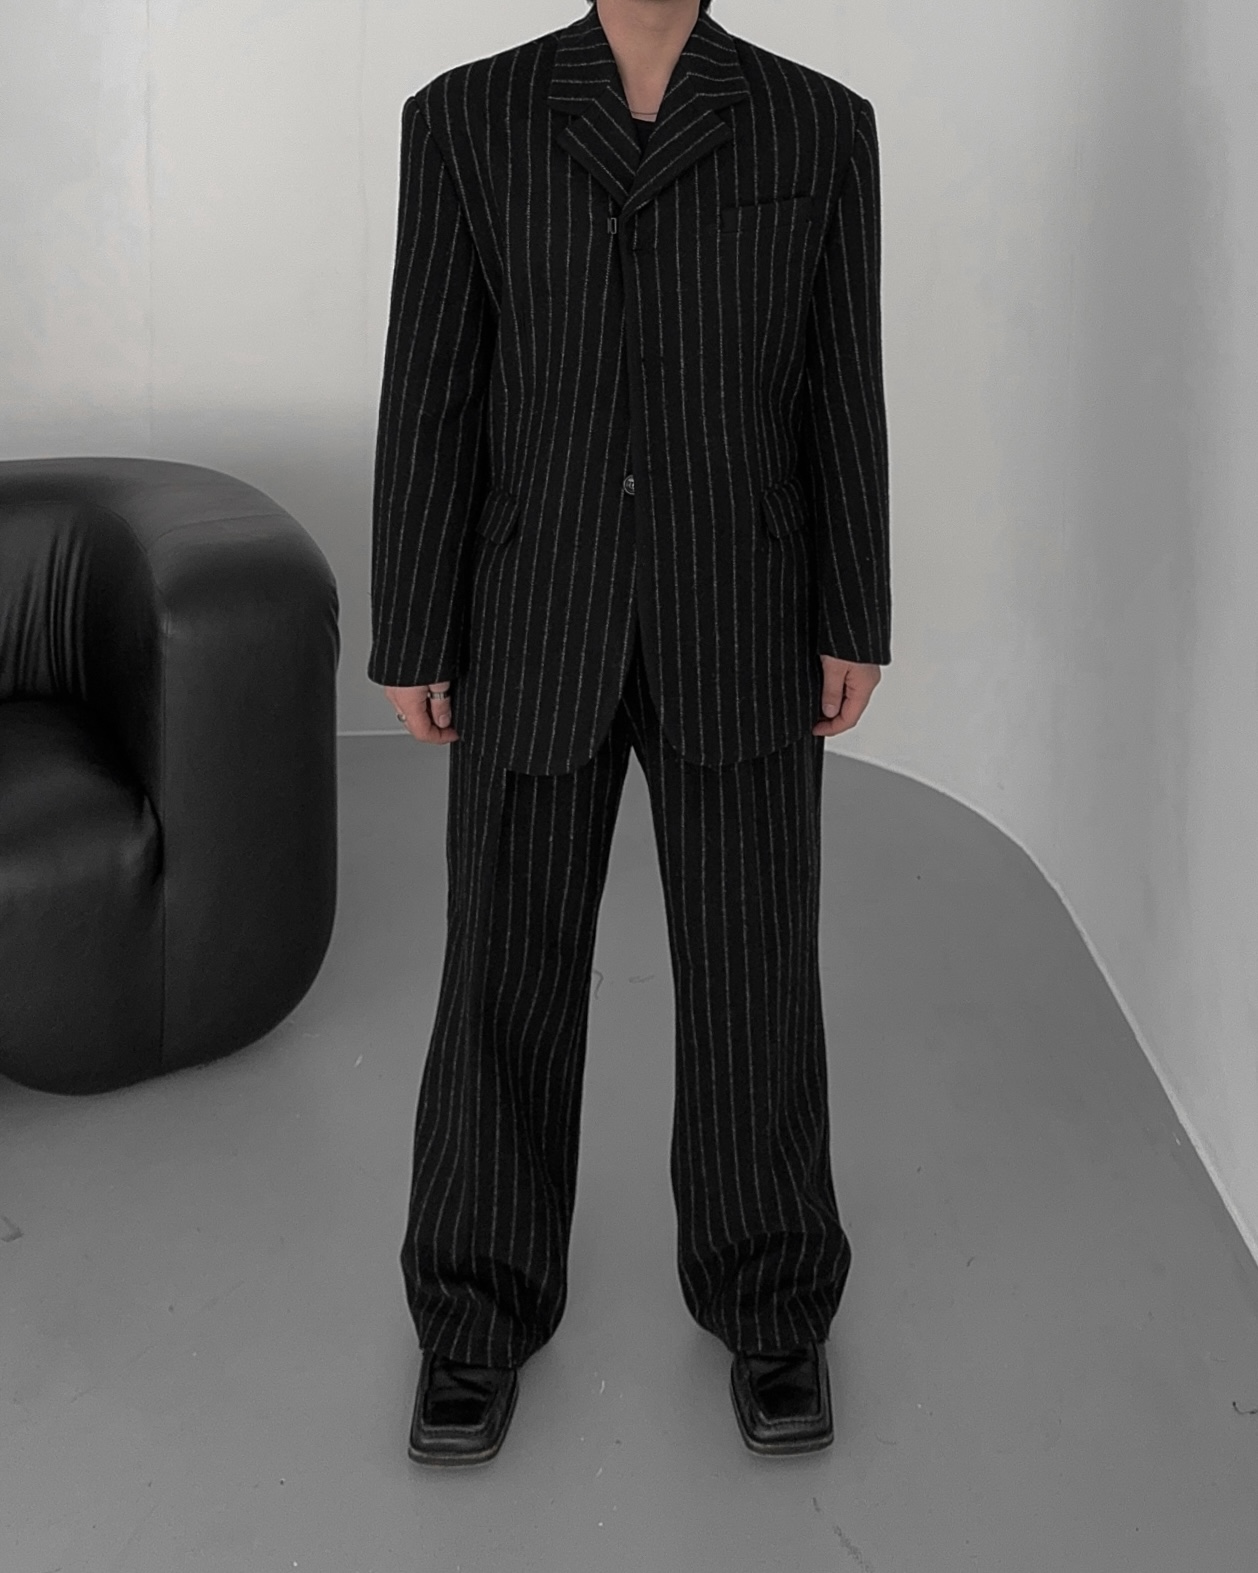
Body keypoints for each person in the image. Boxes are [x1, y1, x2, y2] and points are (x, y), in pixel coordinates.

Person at [370, 0, 889, 1465]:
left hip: (745, 609)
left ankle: (772, 1297)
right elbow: (433, 381)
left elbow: (841, 381)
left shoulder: (817, 122)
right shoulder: (465, 117)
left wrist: (853, 609)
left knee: (753, 972)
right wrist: (413, 625)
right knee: (501, 967)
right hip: (536, 608)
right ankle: (473, 1312)